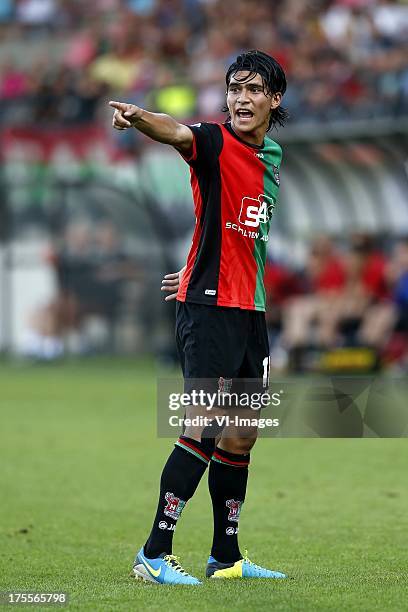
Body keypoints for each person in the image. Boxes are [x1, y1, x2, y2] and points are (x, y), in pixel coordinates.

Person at [110, 49, 288, 585]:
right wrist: (141, 117)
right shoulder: (212, 141)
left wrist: (190, 265)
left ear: (274, 99)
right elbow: (177, 133)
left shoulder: (273, 155)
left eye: (254, 88)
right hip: (210, 310)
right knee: (203, 426)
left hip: (250, 311)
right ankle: (154, 552)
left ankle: (226, 558)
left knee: (241, 435)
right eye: (235, 87)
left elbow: (237, 234)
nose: (241, 97)